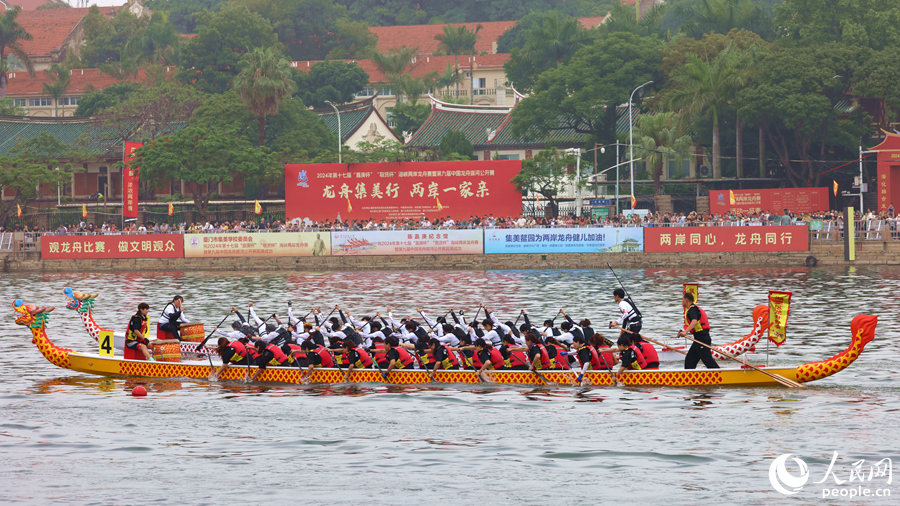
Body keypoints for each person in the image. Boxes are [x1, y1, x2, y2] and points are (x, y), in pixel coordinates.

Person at [678, 291, 720, 370]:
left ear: (686, 300)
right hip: (698, 339)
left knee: (708, 361)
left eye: (682, 299)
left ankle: (722, 377)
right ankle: (689, 379)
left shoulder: (692, 309)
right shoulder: (693, 309)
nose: (682, 301)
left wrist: (685, 332)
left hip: (702, 339)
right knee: (689, 361)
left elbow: (694, 321)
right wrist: (683, 332)